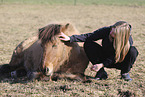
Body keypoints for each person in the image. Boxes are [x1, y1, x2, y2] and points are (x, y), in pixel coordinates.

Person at [59, 21, 138, 81]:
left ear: (121, 35)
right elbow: (89, 36)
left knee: (133, 51)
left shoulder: (128, 40)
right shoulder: (107, 31)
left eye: (113, 33)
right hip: (104, 57)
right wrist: (71, 38)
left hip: (119, 61)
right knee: (88, 44)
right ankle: (101, 73)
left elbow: (115, 56)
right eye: (111, 30)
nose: (110, 33)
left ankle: (125, 73)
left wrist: (102, 64)